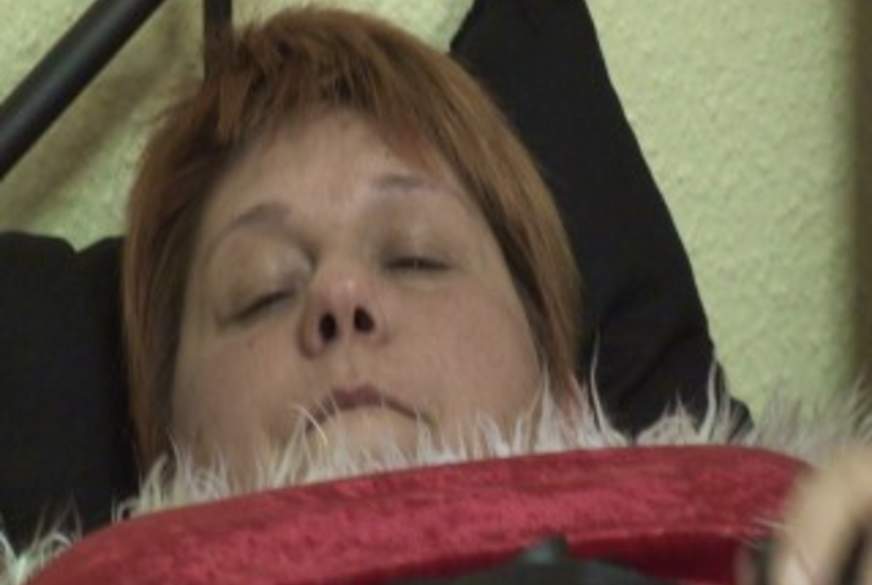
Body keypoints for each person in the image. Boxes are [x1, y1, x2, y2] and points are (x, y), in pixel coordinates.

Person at [4, 6, 868, 585]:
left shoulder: (792, 534)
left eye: (416, 257)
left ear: (568, 388)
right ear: (163, 449)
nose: (341, 294)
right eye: (262, 291)